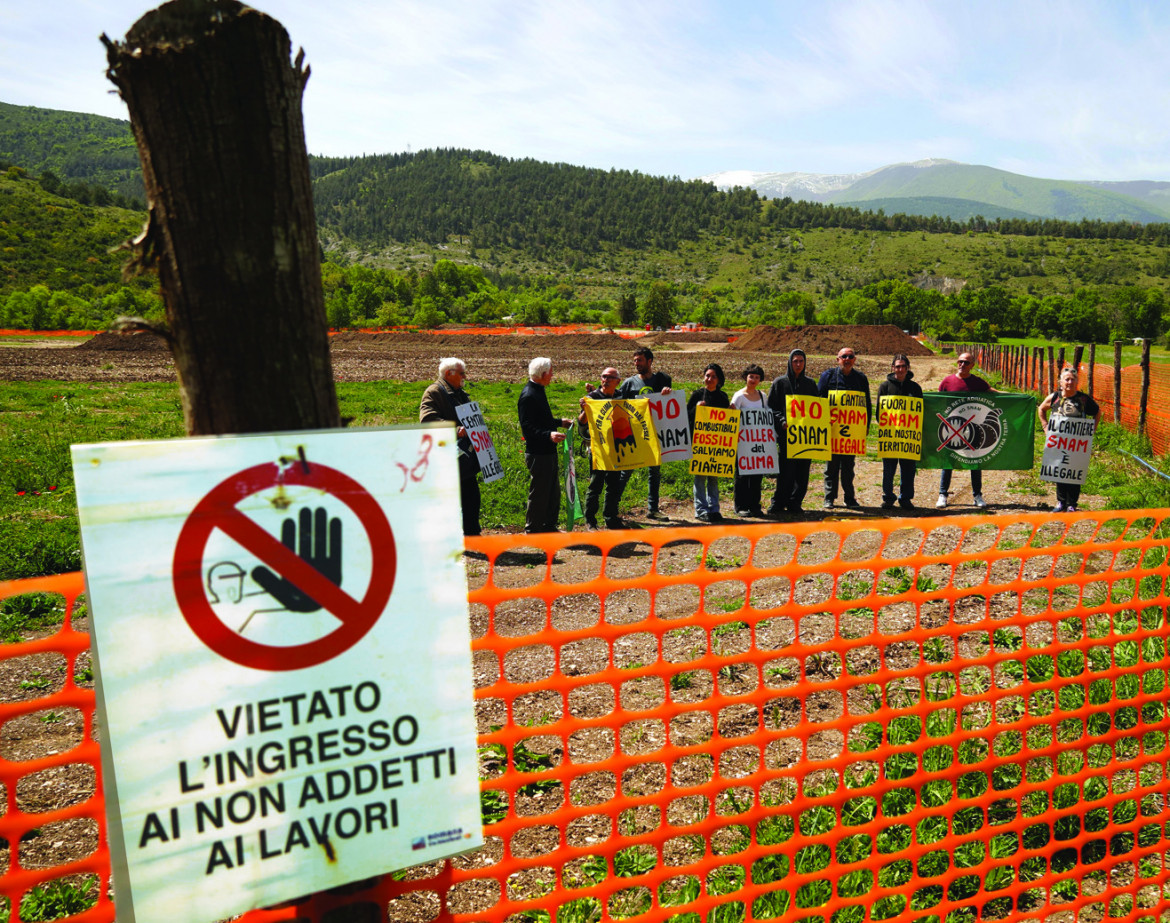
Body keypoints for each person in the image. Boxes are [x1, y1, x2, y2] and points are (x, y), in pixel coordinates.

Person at [419, 357, 481, 536]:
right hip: (446, 456)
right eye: (462, 373)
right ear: (448, 374)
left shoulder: (460, 393)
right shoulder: (433, 392)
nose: (465, 376)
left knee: (471, 497)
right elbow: (427, 420)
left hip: (463, 458)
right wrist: (455, 430)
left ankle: (472, 534)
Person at [518, 357, 571, 533]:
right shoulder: (528, 395)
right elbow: (527, 428)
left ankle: (549, 526)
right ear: (542, 374)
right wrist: (548, 435)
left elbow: (541, 419)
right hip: (538, 453)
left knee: (552, 492)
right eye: (550, 372)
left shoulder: (538, 390)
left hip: (547, 451)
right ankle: (532, 529)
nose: (552, 375)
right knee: (540, 492)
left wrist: (559, 422)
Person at [619, 346, 672, 520]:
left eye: (640, 360)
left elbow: (668, 404)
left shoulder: (662, 380)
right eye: (634, 360)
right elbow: (619, 404)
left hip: (655, 433)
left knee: (654, 472)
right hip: (634, 435)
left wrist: (667, 394)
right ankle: (612, 507)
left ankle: (653, 509)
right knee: (626, 470)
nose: (636, 364)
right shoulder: (628, 383)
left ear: (650, 361)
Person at [1038, 367, 1100, 512]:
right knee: (1060, 470)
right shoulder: (1055, 397)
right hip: (1059, 443)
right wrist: (1045, 426)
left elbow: (1097, 413)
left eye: (1073, 379)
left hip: (1077, 444)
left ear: (1077, 381)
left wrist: (1092, 430)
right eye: (1067, 379)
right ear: (1060, 382)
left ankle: (1072, 504)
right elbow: (1041, 409)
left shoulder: (1084, 399)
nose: (1070, 382)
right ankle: (1060, 502)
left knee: (1074, 472)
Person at [935, 352, 993, 509]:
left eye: (966, 362)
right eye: (960, 361)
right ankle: (942, 495)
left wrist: (1018, 397)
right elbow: (937, 401)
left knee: (975, 462)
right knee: (948, 462)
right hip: (951, 429)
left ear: (972, 365)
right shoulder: (947, 382)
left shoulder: (977, 382)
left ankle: (977, 495)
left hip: (972, 429)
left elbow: (992, 393)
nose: (962, 365)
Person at [817, 347, 872, 510]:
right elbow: (819, 400)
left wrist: (866, 426)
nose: (847, 359)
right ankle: (829, 498)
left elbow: (867, 404)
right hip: (832, 429)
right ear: (837, 359)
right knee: (831, 467)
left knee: (849, 467)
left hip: (852, 432)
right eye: (844, 357)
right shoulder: (827, 376)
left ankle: (849, 498)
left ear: (854, 360)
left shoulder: (861, 378)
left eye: (850, 357)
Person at [767, 348, 819, 517]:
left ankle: (795, 502)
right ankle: (778, 502)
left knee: (803, 471)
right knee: (786, 471)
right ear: (790, 362)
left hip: (805, 436)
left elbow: (817, 407)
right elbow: (772, 408)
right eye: (795, 361)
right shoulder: (779, 383)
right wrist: (781, 421)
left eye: (801, 361)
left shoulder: (810, 384)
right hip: (786, 436)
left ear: (805, 363)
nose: (798, 364)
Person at [578, 367, 626, 530]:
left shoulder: (620, 396)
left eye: (609, 377)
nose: (605, 380)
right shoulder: (592, 397)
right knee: (596, 484)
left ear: (617, 381)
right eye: (603, 377)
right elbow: (582, 422)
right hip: (598, 448)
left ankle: (611, 518)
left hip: (616, 447)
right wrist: (585, 410)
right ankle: (590, 521)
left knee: (614, 484)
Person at [877, 353, 923, 511]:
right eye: (897, 366)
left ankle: (906, 498)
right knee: (889, 469)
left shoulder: (915, 388)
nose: (900, 369)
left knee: (908, 469)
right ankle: (888, 498)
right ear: (892, 368)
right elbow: (879, 412)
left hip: (908, 437)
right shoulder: (885, 386)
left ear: (908, 368)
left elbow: (919, 412)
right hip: (890, 436)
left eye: (903, 366)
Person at [687, 363, 730, 522]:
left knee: (713, 476)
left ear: (718, 379)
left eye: (713, 376)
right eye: (707, 376)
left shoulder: (723, 397)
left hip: (717, 444)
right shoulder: (697, 395)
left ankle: (714, 508)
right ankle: (701, 510)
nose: (709, 379)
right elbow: (687, 416)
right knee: (700, 477)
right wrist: (696, 409)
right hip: (699, 443)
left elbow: (727, 422)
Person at [731, 364, 767, 517]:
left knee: (757, 474)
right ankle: (740, 506)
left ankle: (754, 505)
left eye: (757, 377)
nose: (753, 379)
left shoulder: (763, 396)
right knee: (742, 475)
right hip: (742, 441)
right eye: (751, 376)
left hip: (758, 442)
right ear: (746, 377)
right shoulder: (738, 396)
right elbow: (732, 416)